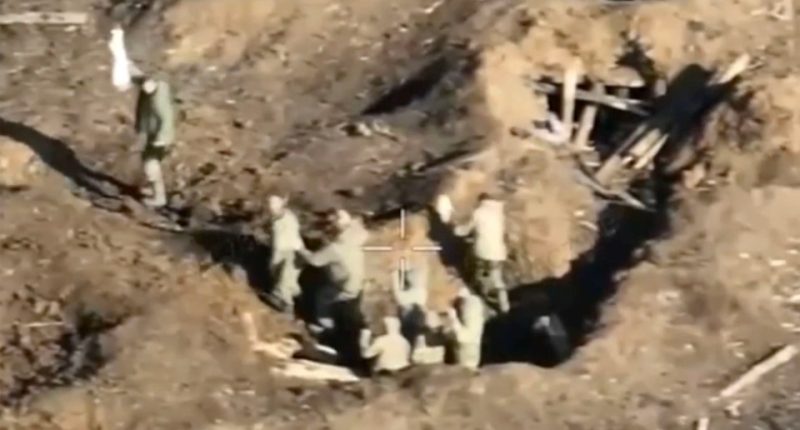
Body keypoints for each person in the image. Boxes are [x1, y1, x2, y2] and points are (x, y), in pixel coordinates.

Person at [298, 209, 368, 330]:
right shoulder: (357, 238)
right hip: (358, 282)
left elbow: (314, 261)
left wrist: (300, 250)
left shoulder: (335, 248)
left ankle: (324, 324)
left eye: (331, 225)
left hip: (344, 287)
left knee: (322, 296)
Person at [455, 193, 510, 313]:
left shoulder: (478, 212)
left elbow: (465, 230)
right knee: (497, 278)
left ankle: (477, 293)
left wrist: (456, 230)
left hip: (482, 252)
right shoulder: (499, 214)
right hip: (498, 253)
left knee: (476, 270)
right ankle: (504, 305)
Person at [134, 76, 176, 208]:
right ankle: (154, 190)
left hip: (161, 136)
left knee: (151, 164)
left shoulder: (159, 99)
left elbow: (167, 118)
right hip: (154, 133)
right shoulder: (151, 95)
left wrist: (162, 137)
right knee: (148, 160)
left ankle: (159, 197)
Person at [267, 195, 304, 313]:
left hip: (292, 252)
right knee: (288, 280)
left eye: (274, 205)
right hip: (295, 251)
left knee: (284, 282)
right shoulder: (285, 217)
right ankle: (300, 300)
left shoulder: (283, 221)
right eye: (270, 205)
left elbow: (278, 245)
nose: (271, 208)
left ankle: (287, 306)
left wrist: (273, 261)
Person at [445, 286, 485, 370]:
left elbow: (463, 337)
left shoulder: (470, 306)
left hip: (465, 357)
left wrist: (453, 318)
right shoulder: (475, 305)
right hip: (469, 355)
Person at [391, 260, 429, 342]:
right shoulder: (419, 294)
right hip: (413, 321)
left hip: (411, 320)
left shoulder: (406, 298)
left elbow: (396, 289)